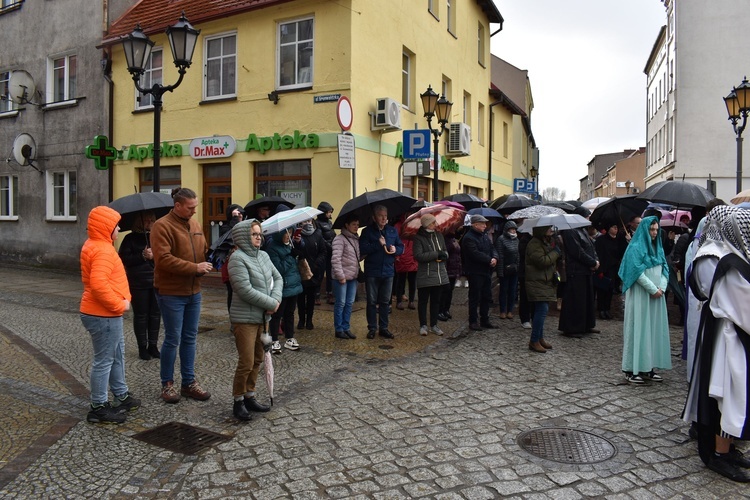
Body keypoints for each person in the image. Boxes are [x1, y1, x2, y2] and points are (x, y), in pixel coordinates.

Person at [683, 206, 750, 482]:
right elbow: (742, 303)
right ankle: (720, 453)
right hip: (729, 335)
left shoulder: (712, 254)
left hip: (722, 330)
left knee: (727, 393)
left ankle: (728, 447)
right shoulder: (722, 260)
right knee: (728, 394)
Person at [151, 187, 212, 404]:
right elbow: (164, 259)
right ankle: (167, 384)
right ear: (177, 206)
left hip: (193, 290)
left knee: (190, 338)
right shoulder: (161, 226)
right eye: (190, 207)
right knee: (173, 338)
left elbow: (202, 248)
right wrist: (195, 267)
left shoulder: (194, 224)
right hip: (171, 292)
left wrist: (214, 254)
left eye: (196, 207)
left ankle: (188, 382)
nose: (194, 211)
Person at [80, 205, 140, 424]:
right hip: (103, 313)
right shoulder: (103, 250)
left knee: (115, 355)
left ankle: (121, 395)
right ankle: (98, 407)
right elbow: (98, 284)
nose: (119, 229)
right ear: (106, 227)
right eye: (116, 226)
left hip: (101, 313)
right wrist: (119, 305)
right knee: (104, 360)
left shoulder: (95, 245)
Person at [226, 219, 281, 421]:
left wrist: (276, 299)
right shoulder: (237, 259)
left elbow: (278, 278)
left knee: (258, 358)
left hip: (263, 318)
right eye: (254, 234)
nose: (259, 237)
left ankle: (250, 394)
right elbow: (244, 290)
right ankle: (238, 400)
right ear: (243, 237)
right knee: (246, 361)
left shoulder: (264, 256)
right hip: (245, 319)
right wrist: (270, 303)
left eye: (260, 234)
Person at [618, 216, 671, 384]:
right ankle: (631, 369)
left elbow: (664, 268)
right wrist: (652, 289)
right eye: (651, 230)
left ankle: (648, 367)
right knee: (638, 329)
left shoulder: (658, 248)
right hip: (641, 295)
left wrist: (661, 287)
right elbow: (635, 271)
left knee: (652, 330)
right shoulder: (635, 247)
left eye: (656, 229)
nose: (654, 233)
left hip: (656, 296)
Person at [118, 210, 161, 360]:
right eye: (147, 220)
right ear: (139, 221)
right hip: (138, 282)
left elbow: (165, 257)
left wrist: (153, 256)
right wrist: (142, 256)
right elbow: (124, 259)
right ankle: (142, 347)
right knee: (141, 315)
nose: (150, 223)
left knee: (155, 314)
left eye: (152, 220)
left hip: (156, 280)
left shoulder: (157, 237)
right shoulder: (130, 239)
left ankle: (153, 346)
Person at [360, 205, 404, 339]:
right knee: (372, 301)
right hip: (372, 271)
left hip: (388, 271)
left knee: (385, 302)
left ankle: (384, 328)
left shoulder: (392, 231)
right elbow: (362, 248)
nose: (384, 218)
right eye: (380, 215)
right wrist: (377, 244)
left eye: (385, 215)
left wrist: (395, 249)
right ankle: (372, 327)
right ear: (374, 217)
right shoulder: (367, 232)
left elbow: (401, 246)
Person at [558, 207, 600, 337]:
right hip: (576, 271)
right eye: (587, 216)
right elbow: (577, 252)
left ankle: (586, 325)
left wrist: (595, 261)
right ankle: (572, 328)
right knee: (576, 301)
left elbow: (591, 248)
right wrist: (592, 262)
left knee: (586, 300)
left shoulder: (582, 230)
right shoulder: (570, 231)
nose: (589, 219)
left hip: (585, 271)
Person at [266, 227, 303, 352]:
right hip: (281, 286)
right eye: (286, 233)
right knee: (277, 314)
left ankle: (289, 338)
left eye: (291, 232)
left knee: (290, 313)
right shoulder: (272, 248)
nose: (289, 235)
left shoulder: (290, 245)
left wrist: (298, 249)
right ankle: (274, 340)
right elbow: (278, 269)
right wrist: (291, 256)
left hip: (293, 285)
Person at [525, 225, 561, 353]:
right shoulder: (534, 244)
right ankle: (534, 340)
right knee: (542, 310)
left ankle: (539, 338)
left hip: (544, 281)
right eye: (548, 228)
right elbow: (542, 261)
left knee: (541, 310)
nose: (551, 230)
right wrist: (555, 252)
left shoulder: (545, 242)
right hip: (537, 281)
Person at [412, 214, 449, 336]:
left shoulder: (439, 236)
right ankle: (423, 325)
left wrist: (444, 255)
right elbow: (418, 256)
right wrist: (436, 254)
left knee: (436, 301)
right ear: (426, 224)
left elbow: (444, 251)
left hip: (439, 274)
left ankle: (434, 325)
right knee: (423, 301)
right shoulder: (418, 238)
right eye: (433, 223)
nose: (435, 224)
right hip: (425, 275)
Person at [462, 214, 498, 331]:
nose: (485, 225)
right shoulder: (469, 237)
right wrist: (489, 259)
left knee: (486, 296)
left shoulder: (484, 236)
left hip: (486, 271)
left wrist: (495, 258)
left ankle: (485, 319)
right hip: (475, 271)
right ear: (475, 224)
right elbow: (474, 253)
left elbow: (492, 248)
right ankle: (473, 321)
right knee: (474, 297)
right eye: (482, 223)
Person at [330, 214, 361, 339]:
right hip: (341, 278)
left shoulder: (355, 239)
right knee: (341, 303)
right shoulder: (339, 239)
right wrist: (340, 276)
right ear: (346, 225)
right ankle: (339, 329)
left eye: (358, 225)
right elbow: (335, 259)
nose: (356, 227)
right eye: (354, 224)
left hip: (353, 277)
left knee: (349, 303)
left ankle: (346, 327)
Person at [296, 218, 329, 330]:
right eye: (305, 221)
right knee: (300, 298)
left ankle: (309, 320)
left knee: (311, 298)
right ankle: (301, 320)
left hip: (314, 271)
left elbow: (323, 251)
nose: (307, 223)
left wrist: (316, 264)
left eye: (309, 221)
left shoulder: (318, 234)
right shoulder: (298, 235)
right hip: (301, 271)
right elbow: (295, 250)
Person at [594, 224, 624, 320]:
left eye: (616, 227)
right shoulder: (601, 240)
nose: (616, 229)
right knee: (602, 290)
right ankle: (601, 310)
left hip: (614, 269)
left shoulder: (619, 240)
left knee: (610, 290)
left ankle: (607, 309)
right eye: (613, 227)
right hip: (603, 268)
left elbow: (621, 253)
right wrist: (600, 269)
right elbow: (598, 254)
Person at [219, 204, 245, 313]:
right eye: (237, 214)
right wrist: (235, 220)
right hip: (230, 264)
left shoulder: (244, 226)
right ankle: (232, 317)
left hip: (242, 263)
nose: (240, 216)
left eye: (240, 214)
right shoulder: (225, 227)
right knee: (232, 291)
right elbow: (230, 235)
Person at [494, 220, 520, 319]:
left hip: (514, 269)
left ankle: (510, 310)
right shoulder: (501, 239)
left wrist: (517, 266)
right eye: (511, 229)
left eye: (514, 229)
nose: (513, 231)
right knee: (504, 290)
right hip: (504, 269)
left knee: (513, 291)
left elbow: (518, 255)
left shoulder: (517, 240)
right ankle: (503, 310)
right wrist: (500, 271)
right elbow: (500, 255)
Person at [394, 216, 418, 310]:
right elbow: (395, 241)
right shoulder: (398, 226)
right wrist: (397, 255)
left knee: (412, 281)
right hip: (402, 257)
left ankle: (411, 301)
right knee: (401, 281)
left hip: (412, 256)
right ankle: (399, 301)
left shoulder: (415, 225)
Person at [438, 231, 461, 321]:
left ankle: (446, 309)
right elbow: (444, 252)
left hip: (454, 267)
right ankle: (440, 310)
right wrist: (452, 246)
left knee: (450, 290)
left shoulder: (453, 239)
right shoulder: (444, 239)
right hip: (447, 268)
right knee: (444, 290)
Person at [316, 201, 336, 305]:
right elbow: (320, 238)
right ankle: (316, 295)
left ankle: (330, 294)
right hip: (323, 252)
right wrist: (329, 246)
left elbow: (333, 235)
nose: (330, 214)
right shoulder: (317, 223)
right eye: (328, 212)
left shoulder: (329, 223)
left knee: (330, 274)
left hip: (331, 252)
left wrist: (336, 244)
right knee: (319, 274)